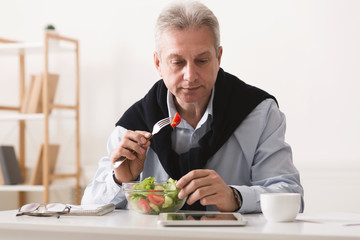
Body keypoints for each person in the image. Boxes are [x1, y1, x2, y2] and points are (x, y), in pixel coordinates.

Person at [82, 1, 303, 213]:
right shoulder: (133, 124)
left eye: (202, 61)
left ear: (218, 57)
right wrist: (121, 179)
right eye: (177, 62)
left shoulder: (260, 113)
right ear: (158, 64)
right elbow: (90, 206)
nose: (190, 76)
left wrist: (235, 197)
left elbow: (292, 195)